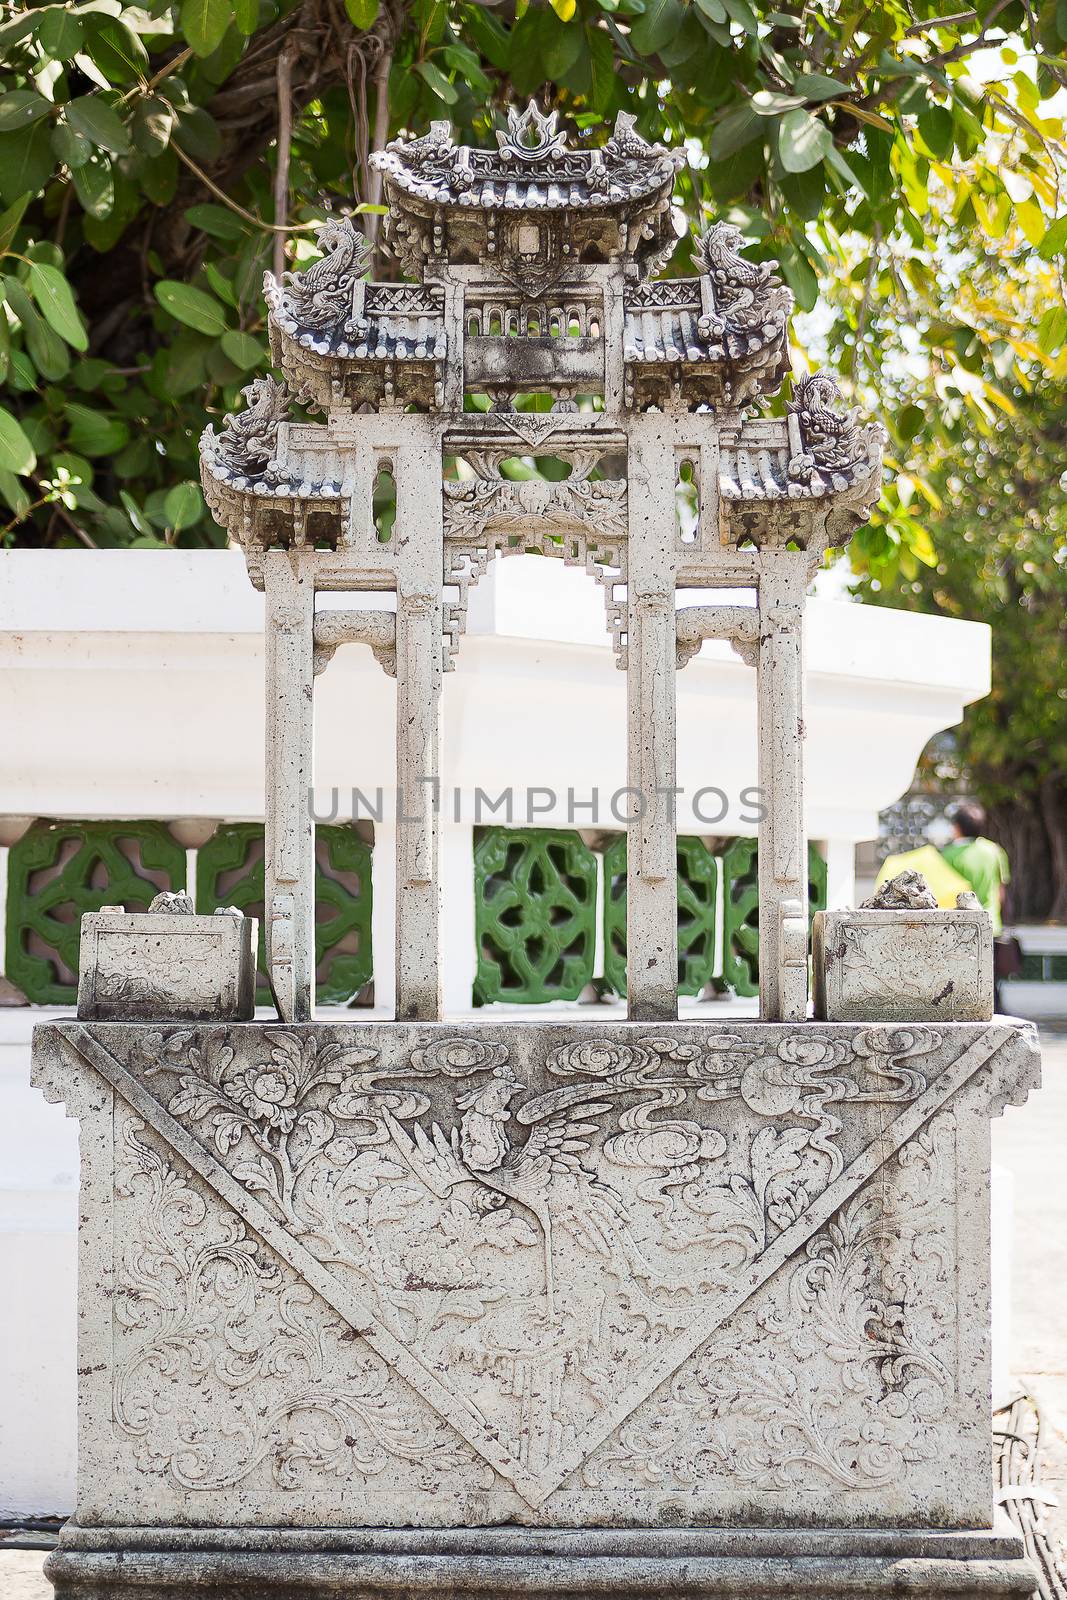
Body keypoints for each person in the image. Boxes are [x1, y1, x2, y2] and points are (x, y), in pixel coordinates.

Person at [943, 800, 1014, 1010]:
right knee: (990, 980)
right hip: (991, 924)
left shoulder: (948, 855)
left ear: (956, 827)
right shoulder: (994, 851)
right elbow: (1001, 891)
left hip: (959, 927)